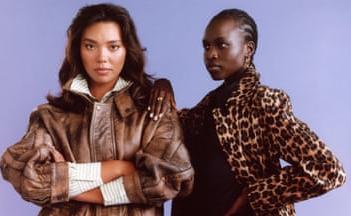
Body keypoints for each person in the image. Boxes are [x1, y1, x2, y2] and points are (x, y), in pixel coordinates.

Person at [0, 3, 194, 216]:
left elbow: (171, 179)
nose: (102, 57)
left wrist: (68, 186)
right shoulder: (50, 117)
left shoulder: (154, 112)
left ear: (127, 50)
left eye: (113, 47)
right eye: (91, 46)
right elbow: (23, 174)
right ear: (78, 50)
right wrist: (118, 168)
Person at [148, 8, 346, 216]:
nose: (211, 54)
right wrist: (161, 84)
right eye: (206, 47)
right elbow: (165, 129)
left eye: (221, 45)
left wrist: (253, 197)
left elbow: (329, 169)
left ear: (248, 49)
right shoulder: (205, 108)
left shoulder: (263, 102)